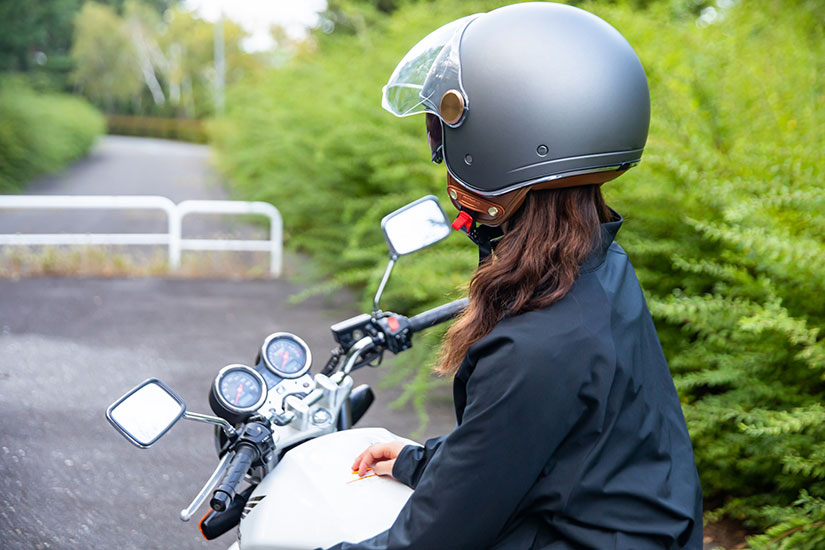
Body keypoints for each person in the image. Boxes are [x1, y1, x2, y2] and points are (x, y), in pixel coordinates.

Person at [327, 3, 703, 549]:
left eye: (445, 132)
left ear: (499, 143)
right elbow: (545, 443)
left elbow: (430, 541)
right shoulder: (595, 267)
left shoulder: (537, 343)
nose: (441, 151)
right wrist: (420, 459)